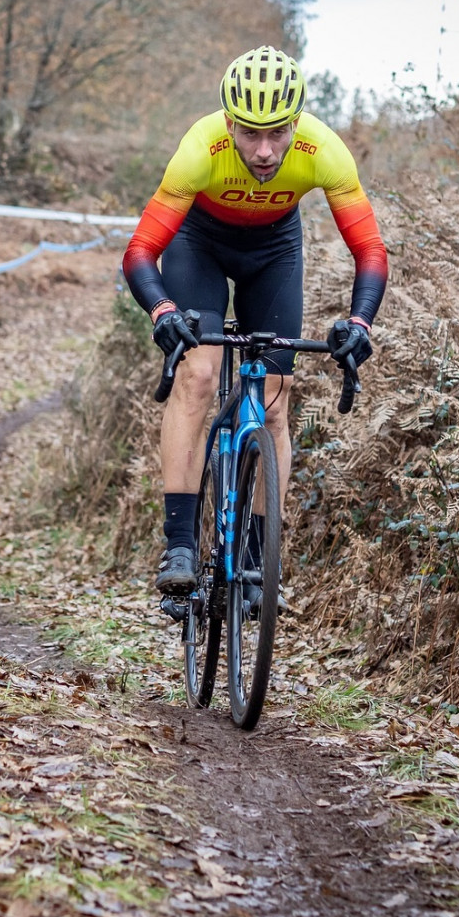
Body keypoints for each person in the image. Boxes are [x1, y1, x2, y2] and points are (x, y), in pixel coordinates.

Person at [121, 45, 388, 613]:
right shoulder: (199, 150)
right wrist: (163, 312)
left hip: (274, 252)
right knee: (199, 375)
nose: (264, 152)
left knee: (273, 399)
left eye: (277, 134)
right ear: (228, 123)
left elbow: (370, 253)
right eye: (248, 134)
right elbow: (141, 252)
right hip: (200, 246)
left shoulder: (324, 151)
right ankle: (178, 549)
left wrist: (361, 321)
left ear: (296, 123)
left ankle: (254, 558)